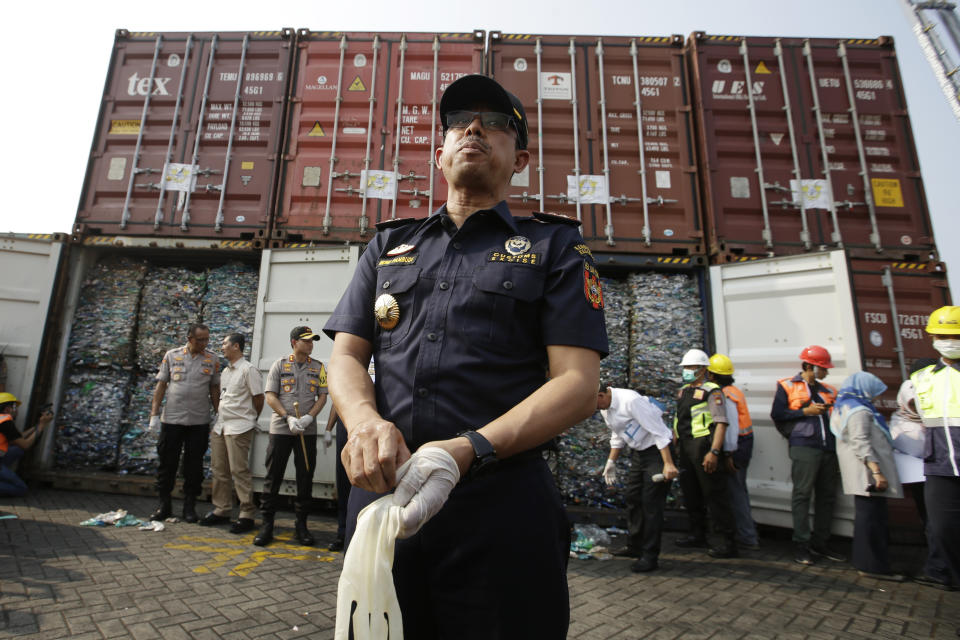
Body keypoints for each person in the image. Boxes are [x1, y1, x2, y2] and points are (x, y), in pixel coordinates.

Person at [324, 73, 607, 639]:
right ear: (440, 153)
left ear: (519, 159)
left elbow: (578, 383)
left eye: (497, 123)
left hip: (500, 508)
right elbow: (348, 357)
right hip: (386, 496)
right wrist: (364, 422)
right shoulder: (388, 246)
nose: (474, 128)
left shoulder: (556, 248)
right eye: (457, 123)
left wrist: (466, 450)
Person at [770, 344, 845, 566]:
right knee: (802, 494)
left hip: (828, 447)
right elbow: (778, 414)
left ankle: (821, 543)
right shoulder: (787, 386)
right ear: (808, 366)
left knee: (827, 496)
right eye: (822, 368)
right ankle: (801, 543)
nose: (826, 372)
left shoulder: (829, 390)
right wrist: (804, 413)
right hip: (805, 447)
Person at [903, 306, 960, 591]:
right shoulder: (922, 377)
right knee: (944, 532)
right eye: (941, 334)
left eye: (955, 335)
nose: (948, 340)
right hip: (939, 466)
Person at [256, 326, 328, 547]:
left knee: (305, 478)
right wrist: (287, 417)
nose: (310, 344)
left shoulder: (319, 367)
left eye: (312, 341)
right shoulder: (279, 364)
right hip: (281, 429)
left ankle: (302, 525)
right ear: (294, 343)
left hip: (306, 431)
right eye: (306, 340)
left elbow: (323, 397)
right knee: (273, 476)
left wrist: (308, 418)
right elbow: (270, 396)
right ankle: (267, 524)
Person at [832, 371, 904, 581]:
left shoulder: (846, 407)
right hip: (867, 478)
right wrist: (876, 472)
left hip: (864, 477)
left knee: (869, 521)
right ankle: (873, 566)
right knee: (871, 522)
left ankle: (868, 563)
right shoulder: (859, 411)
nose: (875, 397)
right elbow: (860, 442)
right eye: (874, 392)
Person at [598, 384, 678, 572]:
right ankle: (635, 546)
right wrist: (611, 462)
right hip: (639, 453)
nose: (594, 408)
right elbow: (617, 434)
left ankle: (650, 556)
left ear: (601, 395)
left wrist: (668, 463)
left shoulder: (631, 401)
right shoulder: (605, 408)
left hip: (657, 453)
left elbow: (660, 431)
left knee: (651, 504)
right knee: (633, 497)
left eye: (594, 403)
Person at [148, 324, 220, 522]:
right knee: (167, 463)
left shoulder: (212, 358)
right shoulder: (172, 355)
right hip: (172, 419)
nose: (204, 343)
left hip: (198, 421)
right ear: (189, 338)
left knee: (193, 466)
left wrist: (218, 413)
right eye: (200, 340)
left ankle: (189, 506)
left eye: (206, 339)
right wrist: (154, 415)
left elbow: (214, 388)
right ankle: (164, 504)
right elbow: (161, 385)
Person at [672, 348, 737, 558]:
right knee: (691, 493)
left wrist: (714, 452)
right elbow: (678, 418)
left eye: (691, 367)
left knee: (715, 494)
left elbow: (721, 423)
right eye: (685, 368)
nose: (687, 371)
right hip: (685, 446)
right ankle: (697, 534)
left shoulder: (713, 391)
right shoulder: (683, 391)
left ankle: (728, 542)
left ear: (702, 369)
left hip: (703, 447)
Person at [201, 333, 264, 534]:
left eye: (225, 344)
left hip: (239, 427)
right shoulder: (226, 372)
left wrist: (250, 419)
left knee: (239, 471)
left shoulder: (248, 370)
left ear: (236, 346)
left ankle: (246, 513)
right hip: (221, 425)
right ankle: (222, 508)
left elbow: (258, 398)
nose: (222, 347)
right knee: (219, 469)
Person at [707, 353, 760, 550]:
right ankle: (747, 532)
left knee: (736, 494)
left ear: (712, 375)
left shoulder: (724, 395)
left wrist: (728, 453)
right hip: (744, 444)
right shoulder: (734, 390)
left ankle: (747, 537)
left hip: (736, 447)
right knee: (739, 491)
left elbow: (728, 426)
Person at [0, 393, 53, 497]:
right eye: (15, 407)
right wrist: (42, 425)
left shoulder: (2, 420)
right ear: (7, 409)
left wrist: (37, 425)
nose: (17, 410)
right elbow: (26, 444)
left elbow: (18, 438)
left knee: (16, 449)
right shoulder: (5, 421)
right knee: (20, 488)